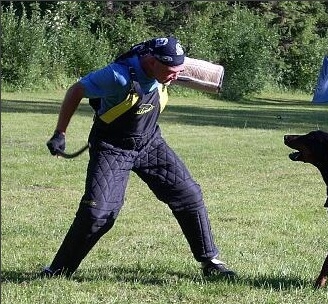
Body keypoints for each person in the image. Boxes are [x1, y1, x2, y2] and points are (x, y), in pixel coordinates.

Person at [42, 36, 235, 279]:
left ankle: (211, 262)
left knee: (189, 195)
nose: (176, 76)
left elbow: (186, 71)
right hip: (113, 148)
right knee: (98, 214)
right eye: (171, 71)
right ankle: (57, 271)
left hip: (150, 143)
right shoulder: (117, 76)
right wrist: (60, 133)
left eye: (179, 70)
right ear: (151, 62)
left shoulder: (165, 69)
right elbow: (76, 89)